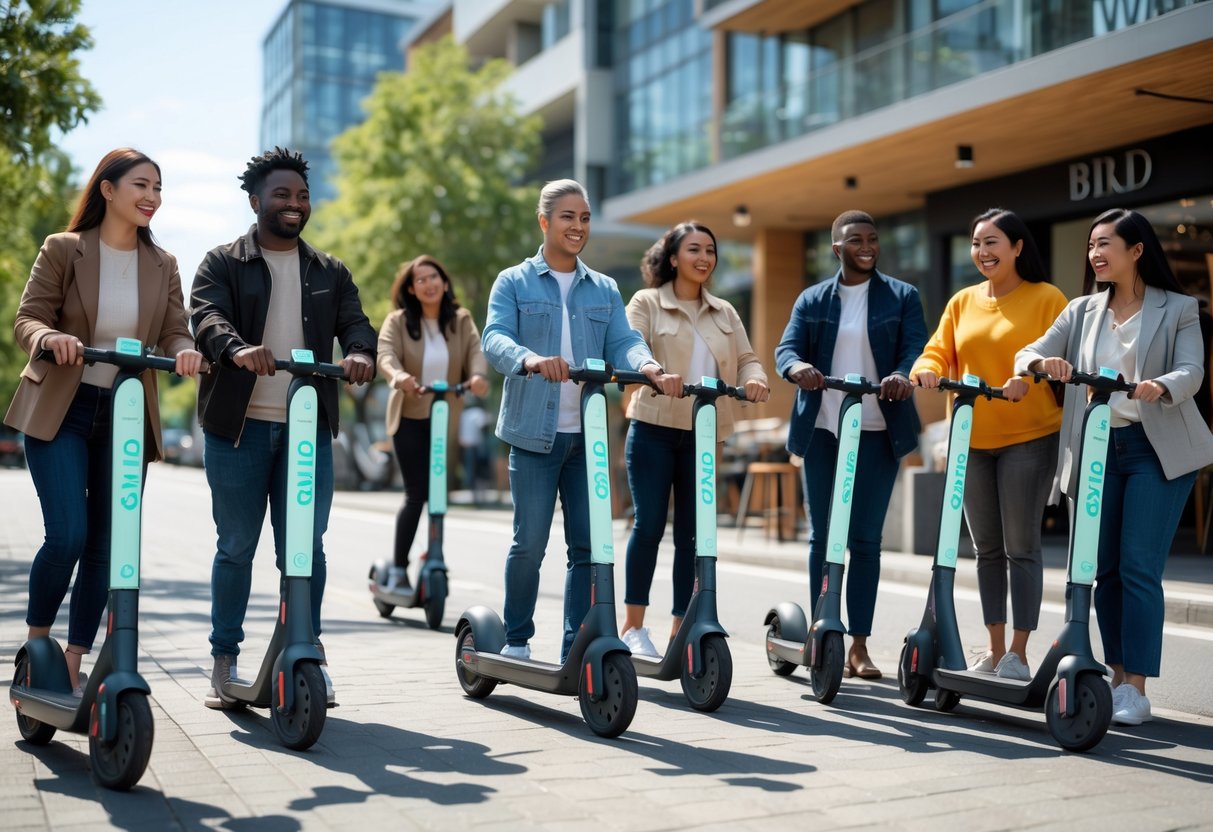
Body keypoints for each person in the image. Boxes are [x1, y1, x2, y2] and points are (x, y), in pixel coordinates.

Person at [5, 148, 203, 696]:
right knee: (68, 534)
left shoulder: (163, 264)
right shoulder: (65, 249)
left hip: (126, 413)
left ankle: (73, 660)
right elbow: (28, 319)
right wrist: (50, 338)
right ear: (108, 190)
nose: (152, 197)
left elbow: (173, 330)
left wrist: (184, 351)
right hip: (61, 410)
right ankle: (38, 643)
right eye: (142, 185)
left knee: (109, 544)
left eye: (159, 189)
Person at [190, 147, 376, 708]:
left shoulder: (329, 271)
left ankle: (305, 652)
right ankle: (225, 660)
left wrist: (362, 352)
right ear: (256, 201)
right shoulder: (223, 261)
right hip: (238, 428)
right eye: (282, 195)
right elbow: (205, 317)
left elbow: (356, 324)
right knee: (237, 547)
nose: (294, 204)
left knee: (306, 550)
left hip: (306, 430)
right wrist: (236, 348)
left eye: (301, 195)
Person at [1016, 207, 1213, 726]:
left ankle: (1137, 690)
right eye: (1090, 246)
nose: (1095, 254)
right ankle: (1117, 675)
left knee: (1137, 568)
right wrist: (1043, 364)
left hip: (1155, 448)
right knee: (1101, 570)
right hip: (1096, 449)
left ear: (1137, 251)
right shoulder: (1081, 310)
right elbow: (1027, 352)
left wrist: (1163, 384)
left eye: (1105, 244)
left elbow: (1192, 370)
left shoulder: (1179, 308)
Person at [481, 178, 682, 662]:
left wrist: (648, 366)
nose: (578, 226)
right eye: (568, 217)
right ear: (545, 221)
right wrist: (529, 359)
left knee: (588, 548)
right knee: (529, 542)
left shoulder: (605, 288)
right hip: (533, 432)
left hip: (587, 435)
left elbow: (623, 341)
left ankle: (576, 646)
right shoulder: (513, 281)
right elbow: (494, 338)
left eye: (585, 218)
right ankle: (517, 639)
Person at [910, 209, 1067, 681]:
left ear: (1018, 247)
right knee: (986, 549)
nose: (982, 252)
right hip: (971, 439)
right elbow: (939, 348)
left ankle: (1020, 651)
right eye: (977, 244)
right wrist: (926, 367)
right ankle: (995, 649)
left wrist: (1029, 376)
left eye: (992, 242)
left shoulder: (1047, 298)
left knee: (1021, 545)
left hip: (1029, 437)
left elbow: (1059, 356)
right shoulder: (962, 301)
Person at [774, 209, 927, 680]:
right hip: (822, 429)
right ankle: (825, 630)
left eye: (873, 238)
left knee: (865, 541)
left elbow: (915, 348)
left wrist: (902, 373)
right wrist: (796, 367)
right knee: (823, 535)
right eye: (855, 239)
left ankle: (858, 644)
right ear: (836, 248)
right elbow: (786, 348)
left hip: (880, 431)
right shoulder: (813, 298)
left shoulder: (902, 296)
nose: (866, 245)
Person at [619, 221, 769, 657]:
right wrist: (653, 372)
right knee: (649, 526)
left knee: (694, 534)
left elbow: (747, 360)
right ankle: (632, 626)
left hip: (706, 432)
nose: (704, 258)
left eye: (710, 250)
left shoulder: (724, 312)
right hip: (654, 427)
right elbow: (632, 345)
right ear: (673, 258)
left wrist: (755, 380)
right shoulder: (647, 302)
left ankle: (680, 628)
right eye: (694, 250)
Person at [377, 255, 488, 589]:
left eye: (433, 277)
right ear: (411, 288)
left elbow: (475, 353)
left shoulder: (461, 319)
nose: (428, 284)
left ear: (444, 280)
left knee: (439, 491)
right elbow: (385, 355)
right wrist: (398, 376)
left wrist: (479, 377)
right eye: (420, 279)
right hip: (410, 416)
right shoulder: (398, 321)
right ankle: (399, 567)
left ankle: (434, 554)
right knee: (417, 493)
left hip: (445, 418)